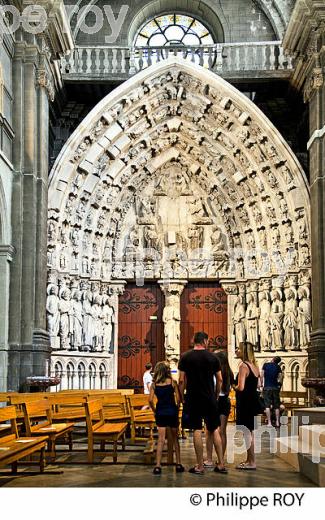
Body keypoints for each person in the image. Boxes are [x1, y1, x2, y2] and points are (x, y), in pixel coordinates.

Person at [178, 331, 227, 475]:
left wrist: (181, 396)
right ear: (205, 341)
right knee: (214, 428)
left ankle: (199, 466)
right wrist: (216, 394)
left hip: (193, 398)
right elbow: (220, 379)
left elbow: (181, 380)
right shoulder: (213, 357)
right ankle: (221, 464)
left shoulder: (185, 357)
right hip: (209, 397)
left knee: (197, 430)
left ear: (194, 341)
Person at [149, 361, 184, 475]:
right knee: (175, 439)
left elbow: (150, 400)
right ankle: (178, 463)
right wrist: (177, 408)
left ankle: (158, 465)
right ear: (167, 370)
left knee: (161, 440)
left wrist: (155, 411)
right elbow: (178, 399)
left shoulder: (154, 384)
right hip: (172, 412)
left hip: (160, 412)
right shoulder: (173, 383)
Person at [234, 341, 261, 470]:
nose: (236, 351)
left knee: (246, 432)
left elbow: (241, 387)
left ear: (244, 351)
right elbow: (257, 386)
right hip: (253, 400)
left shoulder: (243, 366)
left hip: (245, 402)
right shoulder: (254, 366)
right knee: (250, 432)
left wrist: (233, 386)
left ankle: (252, 462)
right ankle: (250, 459)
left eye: (238, 349)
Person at [205, 351, 234, 466]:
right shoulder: (229, 372)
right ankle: (221, 458)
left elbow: (213, 385)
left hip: (215, 400)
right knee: (222, 431)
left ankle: (209, 458)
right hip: (225, 401)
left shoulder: (214, 371)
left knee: (210, 431)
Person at [260, 356, 282, 427]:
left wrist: (261, 385)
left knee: (267, 405)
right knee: (277, 406)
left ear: (272, 359)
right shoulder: (278, 367)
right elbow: (280, 378)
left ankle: (269, 423)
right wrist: (279, 386)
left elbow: (261, 375)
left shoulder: (266, 365)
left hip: (267, 387)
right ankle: (277, 422)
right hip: (275, 388)